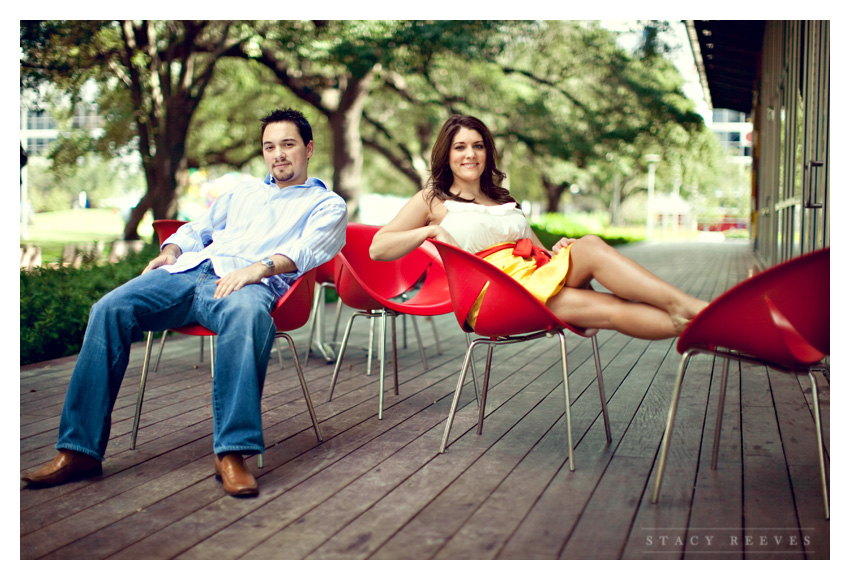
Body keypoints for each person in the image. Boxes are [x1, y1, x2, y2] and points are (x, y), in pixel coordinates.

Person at [22, 108, 348, 497]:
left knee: (247, 317)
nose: (278, 154)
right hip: (189, 273)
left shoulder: (327, 204)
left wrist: (256, 269)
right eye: (269, 146)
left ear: (308, 149)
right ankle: (79, 451)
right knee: (108, 309)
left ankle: (231, 454)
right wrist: (172, 250)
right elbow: (197, 228)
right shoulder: (244, 192)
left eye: (288, 145)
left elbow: (310, 249)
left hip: (248, 283)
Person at [369, 114, 707, 339]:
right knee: (610, 308)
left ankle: (697, 323)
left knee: (586, 245)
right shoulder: (433, 198)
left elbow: (535, 250)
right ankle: (700, 316)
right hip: (492, 296)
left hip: (531, 278)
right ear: (447, 155)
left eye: (478, 145)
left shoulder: (502, 197)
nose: (470, 154)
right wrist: (429, 232)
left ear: (487, 152)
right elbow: (378, 247)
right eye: (460, 147)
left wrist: (556, 251)